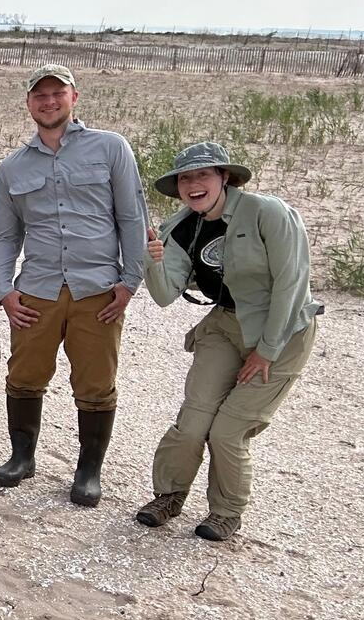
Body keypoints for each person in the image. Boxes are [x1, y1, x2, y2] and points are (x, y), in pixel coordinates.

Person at [135, 143, 322, 541]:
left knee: (227, 432)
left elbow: (292, 284)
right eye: (185, 178)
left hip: (283, 331)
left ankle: (226, 513)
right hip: (224, 324)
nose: (192, 184)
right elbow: (166, 294)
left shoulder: (268, 213)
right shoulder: (181, 226)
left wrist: (267, 350)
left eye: (202, 175)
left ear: (225, 177)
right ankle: (170, 495)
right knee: (192, 422)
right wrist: (150, 258)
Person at [0, 64, 147, 507]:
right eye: (40, 95)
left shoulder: (110, 148)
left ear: (74, 97)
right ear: (29, 104)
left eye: (58, 93)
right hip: (37, 290)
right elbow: (3, 236)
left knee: (96, 382)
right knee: (24, 376)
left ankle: (88, 470)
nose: (49, 101)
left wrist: (130, 281)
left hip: (97, 288)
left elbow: (132, 216)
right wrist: (4, 289)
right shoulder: (12, 168)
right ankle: (22, 458)